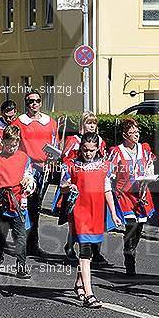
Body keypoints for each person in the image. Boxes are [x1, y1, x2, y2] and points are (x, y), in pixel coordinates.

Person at [61, 132, 121, 308]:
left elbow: (107, 190)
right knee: (85, 251)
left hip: (96, 212)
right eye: (85, 150)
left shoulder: (104, 166)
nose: (88, 153)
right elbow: (63, 186)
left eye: (91, 150)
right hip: (80, 212)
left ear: (97, 149)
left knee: (91, 251)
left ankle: (79, 283)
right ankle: (89, 294)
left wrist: (114, 214)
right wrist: (68, 185)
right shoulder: (72, 166)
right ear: (81, 149)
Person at [0, 125, 35, 279]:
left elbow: (29, 175)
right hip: (1, 203)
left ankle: (21, 266)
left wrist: (28, 180)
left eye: (14, 145)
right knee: (0, 235)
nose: (11, 148)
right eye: (8, 145)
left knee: (20, 237)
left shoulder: (24, 158)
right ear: (3, 142)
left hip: (19, 202)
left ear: (18, 143)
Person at [108, 117, 157, 276]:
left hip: (142, 194)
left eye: (137, 132)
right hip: (125, 195)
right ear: (124, 135)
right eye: (132, 132)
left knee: (139, 228)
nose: (136, 135)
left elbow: (149, 167)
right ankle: (129, 258)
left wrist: (148, 178)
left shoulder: (144, 149)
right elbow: (109, 173)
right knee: (131, 226)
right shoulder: (117, 151)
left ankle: (132, 249)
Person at [61, 112, 109, 264]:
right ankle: (70, 246)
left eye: (94, 123)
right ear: (82, 125)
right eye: (88, 123)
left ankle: (96, 252)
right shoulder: (74, 140)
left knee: (97, 220)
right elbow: (65, 159)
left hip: (95, 185)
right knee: (75, 220)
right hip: (76, 182)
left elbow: (103, 160)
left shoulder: (99, 141)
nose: (91, 126)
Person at [15, 91, 58, 257]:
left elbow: (55, 145)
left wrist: (53, 161)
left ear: (41, 102)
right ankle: (26, 243)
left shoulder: (50, 122)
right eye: (31, 101)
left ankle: (32, 243)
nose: (34, 104)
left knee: (37, 205)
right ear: (26, 103)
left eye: (37, 101)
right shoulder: (19, 122)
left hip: (45, 168)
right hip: (28, 169)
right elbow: (14, 144)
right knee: (28, 205)